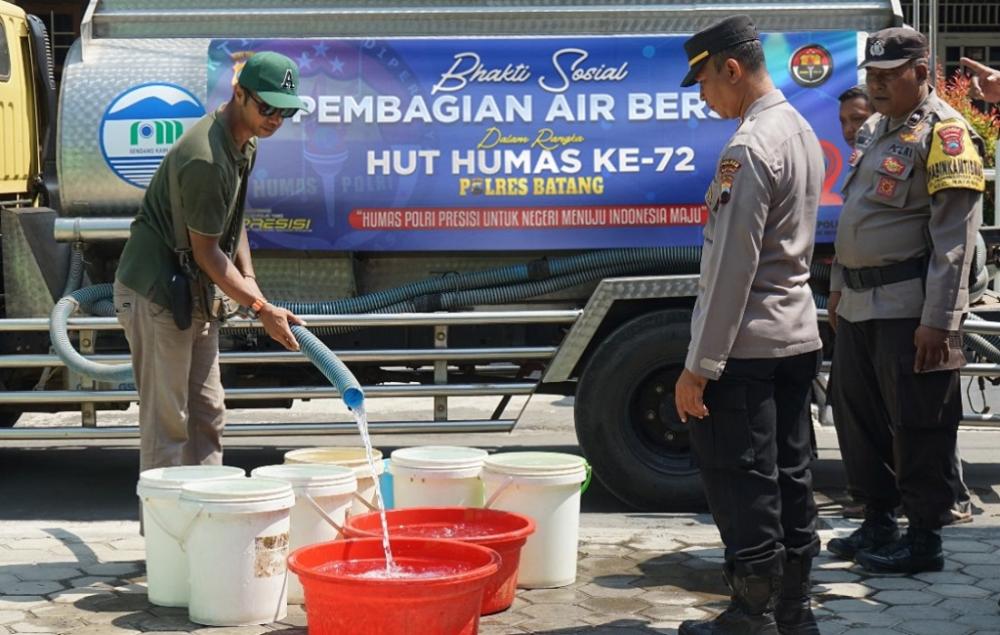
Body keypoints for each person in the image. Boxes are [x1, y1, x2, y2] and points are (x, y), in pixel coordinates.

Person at [673, 15, 825, 635]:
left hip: (746, 349)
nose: (704, 97)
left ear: (731, 69)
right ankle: (794, 611)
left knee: (744, 482)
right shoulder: (799, 130)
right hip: (795, 338)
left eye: (705, 82)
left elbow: (733, 273)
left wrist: (697, 369)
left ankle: (751, 616)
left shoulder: (749, 147)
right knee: (791, 476)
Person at [826, 28, 984, 574]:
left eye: (888, 75)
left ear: (922, 70)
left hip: (908, 308)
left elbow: (954, 240)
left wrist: (940, 321)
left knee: (919, 426)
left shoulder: (948, 134)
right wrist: (838, 288)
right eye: (871, 75)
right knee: (858, 418)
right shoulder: (874, 129)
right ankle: (877, 521)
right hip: (860, 304)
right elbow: (857, 216)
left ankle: (923, 540)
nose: (876, 85)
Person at [114, 51, 307, 474]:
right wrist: (259, 308)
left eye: (286, 111)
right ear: (240, 94)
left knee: (208, 413)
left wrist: (252, 283)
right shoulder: (205, 158)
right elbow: (208, 253)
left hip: (194, 291)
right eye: (268, 106)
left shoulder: (245, 143)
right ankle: (166, 536)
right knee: (169, 426)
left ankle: (206, 522)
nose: (276, 118)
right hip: (158, 293)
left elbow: (232, 224)